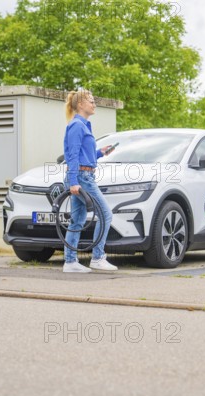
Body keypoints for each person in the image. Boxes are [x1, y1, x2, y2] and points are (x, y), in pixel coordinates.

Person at [62, 90, 118, 273]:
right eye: (91, 101)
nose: (94, 104)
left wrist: (100, 153)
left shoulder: (84, 125)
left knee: (77, 220)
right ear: (80, 105)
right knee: (105, 214)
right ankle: (98, 257)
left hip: (83, 175)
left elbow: (84, 155)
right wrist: (73, 182)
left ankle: (70, 262)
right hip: (81, 177)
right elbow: (71, 156)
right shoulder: (77, 125)